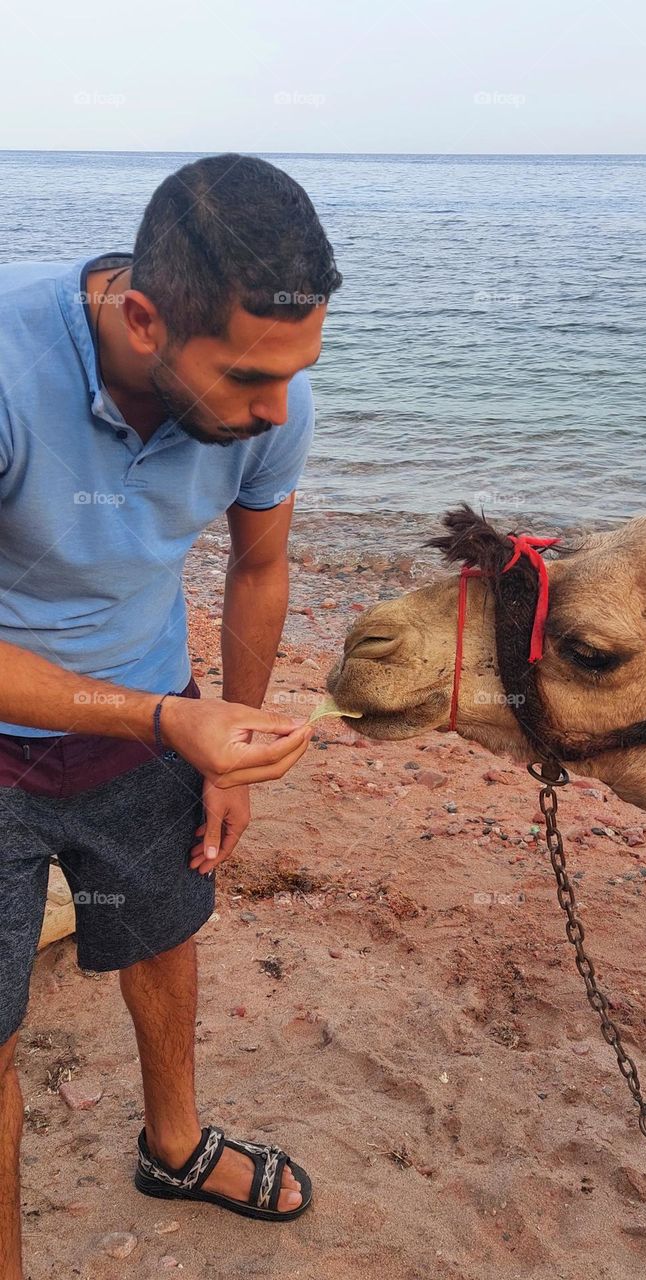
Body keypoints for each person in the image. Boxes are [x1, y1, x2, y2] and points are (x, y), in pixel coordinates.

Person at [0, 152, 343, 1276]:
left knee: (163, 927)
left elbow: (261, 561)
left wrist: (229, 742)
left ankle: (175, 1144)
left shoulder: (270, 391)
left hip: (155, 711)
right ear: (143, 318)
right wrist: (164, 721)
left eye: (296, 374)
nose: (275, 411)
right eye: (249, 378)